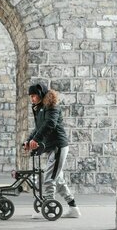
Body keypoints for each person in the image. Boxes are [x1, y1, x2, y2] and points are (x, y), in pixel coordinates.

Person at [24, 83, 80, 218]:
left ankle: (48, 206)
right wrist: (29, 140)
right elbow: (38, 128)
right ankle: (73, 208)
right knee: (58, 180)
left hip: (58, 146)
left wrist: (36, 140)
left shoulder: (52, 107)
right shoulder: (40, 108)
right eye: (31, 96)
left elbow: (50, 124)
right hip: (51, 148)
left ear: (40, 94)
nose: (32, 99)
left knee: (49, 178)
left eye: (34, 96)